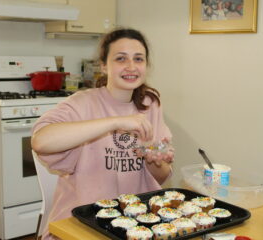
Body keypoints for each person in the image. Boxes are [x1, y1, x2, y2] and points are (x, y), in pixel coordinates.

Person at [31, 27, 174, 240]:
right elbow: (41, 141)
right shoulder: (82, 103)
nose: (131, 67)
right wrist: (115, 121)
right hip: (82, 222)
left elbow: (160, 177)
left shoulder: (150, 103)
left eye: (138, 59)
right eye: (120, 59)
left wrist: (154, 160)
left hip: (135, 222)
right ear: (104, 66)